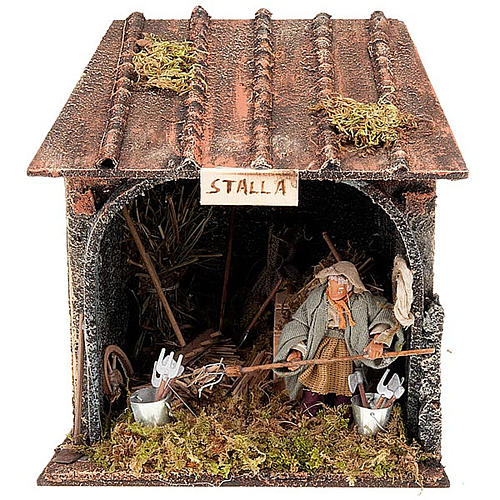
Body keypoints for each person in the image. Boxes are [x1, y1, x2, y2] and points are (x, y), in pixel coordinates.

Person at [273, 261, 404, 416]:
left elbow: (384, 314)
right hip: (322, 349)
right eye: (331, 286)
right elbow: (300, 323)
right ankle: (307, 417)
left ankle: (341, 419)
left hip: (346, 350)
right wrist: (297, 350)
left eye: (339, 289)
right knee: (315, 385)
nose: (334, 292)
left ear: (350, 286)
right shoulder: (318, 298)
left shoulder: (363, 300)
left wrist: (377, 340)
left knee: (346, 387)